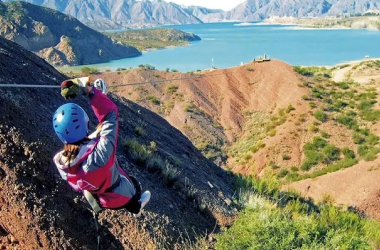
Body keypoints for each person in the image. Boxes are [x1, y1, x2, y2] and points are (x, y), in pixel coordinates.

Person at [52, 77, 150, 216]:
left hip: (102, 199)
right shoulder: (100, 155)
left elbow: (90, 141)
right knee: (134, 186)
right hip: (120, 195)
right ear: (85, 123)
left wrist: (100, 94)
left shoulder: (63, 164)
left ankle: (133, 205)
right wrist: (90, 91)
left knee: (118, 182)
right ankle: (137, 207)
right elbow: (110, 115)